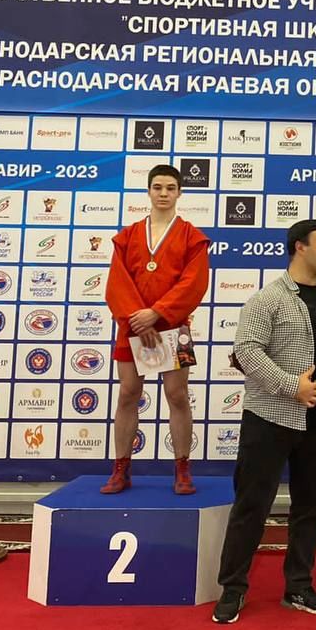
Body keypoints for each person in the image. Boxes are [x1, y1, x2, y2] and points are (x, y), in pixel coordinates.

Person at [213, 219, 316, 624]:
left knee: (310, 509)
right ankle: (233, 588)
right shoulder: (268, 298)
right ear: (300, 247)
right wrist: (289, 385)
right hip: (268, 418)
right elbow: (246, 350)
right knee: (251, 506)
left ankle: (298, 586)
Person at [102, 164, 210, 495]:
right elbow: (117, 282)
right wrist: (138, 319)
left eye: (170, 188)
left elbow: (194, 283)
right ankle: (121, 469)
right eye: (158, 187)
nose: (164, 193)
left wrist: (157, 314)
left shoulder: (192, 236)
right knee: (128, 393)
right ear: (148, 191)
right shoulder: (128, 236)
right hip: (132, 326)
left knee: (177, 395)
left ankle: (182, 469)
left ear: (179, 192)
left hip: (173, 327)